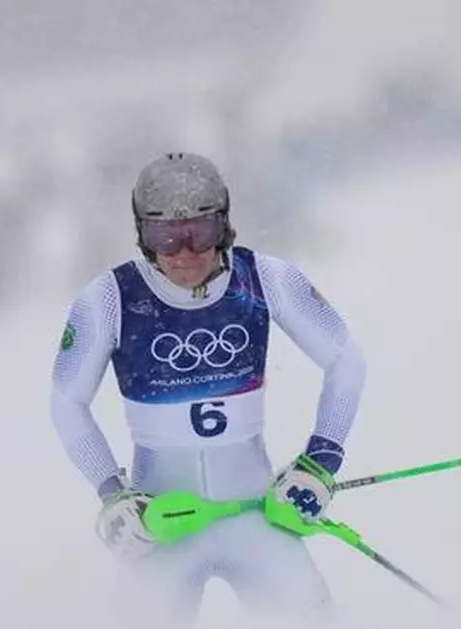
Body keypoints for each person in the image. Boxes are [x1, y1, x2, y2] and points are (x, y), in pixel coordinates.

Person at [49, 152, 367, 627]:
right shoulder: (108, 300)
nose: (184, 253)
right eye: (165, 237)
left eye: (200, 233)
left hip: (257, 516)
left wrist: (320, 464)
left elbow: (347, 360)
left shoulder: (265, 279)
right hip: (160, 527)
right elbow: (66, 402)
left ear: (224, 227)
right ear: (142, 236)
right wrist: (114, 497)